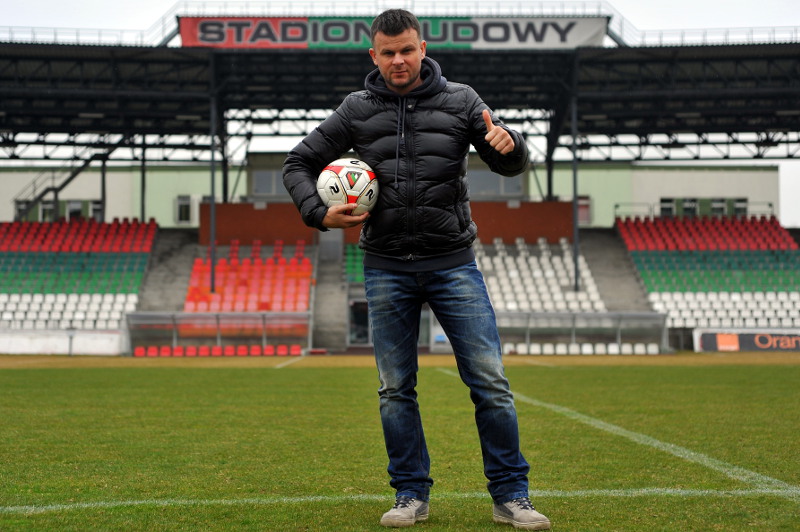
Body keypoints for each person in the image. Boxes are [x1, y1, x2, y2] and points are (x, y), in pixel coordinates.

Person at [283, 8, 550, 531]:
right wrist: (318, 213)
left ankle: (511, 496)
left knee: (490, 382)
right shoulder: (356, 109)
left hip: (453, 263)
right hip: (386, 268)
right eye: (388, 53)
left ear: (422, 48)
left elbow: (509, 161)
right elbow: (298, 162)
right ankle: (410, 494)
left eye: (407, 49)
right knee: (395, 389)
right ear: (374, 55)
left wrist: (512, 144)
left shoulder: (462, 100)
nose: (399, 60)